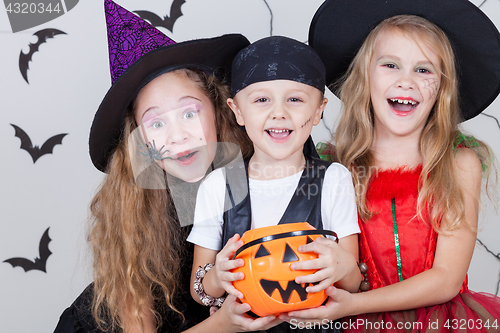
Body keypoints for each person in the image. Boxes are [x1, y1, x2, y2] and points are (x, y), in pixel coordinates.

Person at [53, 1, 283, 332]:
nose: (178, 136)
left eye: (190, 114)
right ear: (139, 139)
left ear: (218, 110)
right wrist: (225, 324)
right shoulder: (132, 208)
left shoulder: (258, 170)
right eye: (156, 123)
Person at [285, 0, 500, 331]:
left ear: (442, 86)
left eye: (424, 69)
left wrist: (355, 305)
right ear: (363, 77)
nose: (406, 81)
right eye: (390, 65)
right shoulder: (333, 167)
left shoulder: (459, 163)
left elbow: (446, 279)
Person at [187, 36, 362, 332]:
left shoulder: (334, 179)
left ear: (318, 110)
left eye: (295, 99)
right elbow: (199, 290)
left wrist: (342, 266)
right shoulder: (218, 185)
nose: (279, 112)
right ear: (238, 111)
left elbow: (353, 282)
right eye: (261, 100)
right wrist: (218, 276)